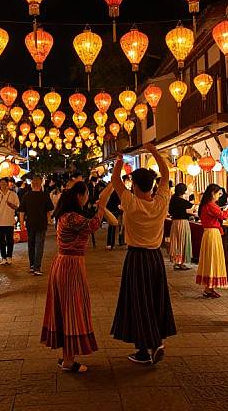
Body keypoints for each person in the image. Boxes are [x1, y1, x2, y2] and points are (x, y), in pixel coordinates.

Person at [110, 143, 176, 364]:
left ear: (135, 185)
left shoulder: (130, 202)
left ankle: (153, 343)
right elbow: (165, 174)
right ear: (152, 185)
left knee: (139, 302)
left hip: (137, 258)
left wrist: (119, 160)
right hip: (156, 258)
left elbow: (115, 182)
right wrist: (154, 152)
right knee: (154, 300)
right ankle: (143, 350)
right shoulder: (161, 202)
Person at [41, 181, 113, 372]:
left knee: (67, 309)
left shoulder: (66, 215)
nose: (87, 197)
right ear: (80, 196)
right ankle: (68, 360)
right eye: (87, 194)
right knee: (72, 309)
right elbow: (93, 225)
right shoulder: (72, 217)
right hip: (70, 266)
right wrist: (102, 206)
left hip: (64, 264)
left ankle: (67, 357)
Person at [195, 184, 228, 298]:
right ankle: (209, 287)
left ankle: (209, 287)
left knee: (209, 259)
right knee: (213, 259)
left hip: (208, 233)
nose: (219, 196)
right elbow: (223, 216)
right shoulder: (211, 205)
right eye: (218, 194)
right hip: (212, 234)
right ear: (213, 193)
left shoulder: (206, 205)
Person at [19, 176, 54, 275]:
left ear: (31, 185)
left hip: (30, 224)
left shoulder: (26, 196)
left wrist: (22, 224)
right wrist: (49, 220)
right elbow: (49, 211)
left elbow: (21, 211)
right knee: (39, 245)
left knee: (31, 245)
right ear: (40, 184)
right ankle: (37, 268)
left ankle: (32, 266)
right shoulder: (45, 196)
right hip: (41, 224)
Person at [0, 177, 20, 265]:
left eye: (4, 184)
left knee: (9, 240)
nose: (3, 186)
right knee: (1, 241)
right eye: (1, 184)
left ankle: (9, 257)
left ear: (7, 184)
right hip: (0, 221)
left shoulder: (13, 194)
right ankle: (3, 257)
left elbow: (17, 207)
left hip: (9, 221)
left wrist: (11, 204)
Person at [168, 183, 195, 270]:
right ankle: (180, 262)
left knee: (176, 242)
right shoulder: (180, 200)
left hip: (174, 223)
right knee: (182, 242)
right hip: (182, 223)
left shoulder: (173, 199)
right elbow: (190, 206)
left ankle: (177, 261)